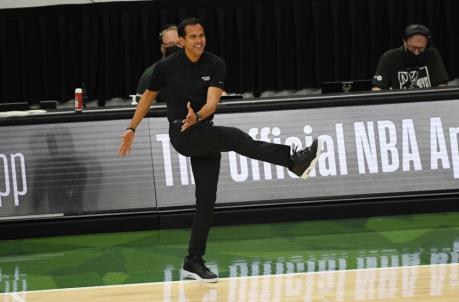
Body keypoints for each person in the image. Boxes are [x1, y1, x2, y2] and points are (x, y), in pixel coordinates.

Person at [118, 17, 322, 283]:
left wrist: (198, 117)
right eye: (193, 37)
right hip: (182, 134)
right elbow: (146, 99)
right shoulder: (165, 67)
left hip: (202, 128)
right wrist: (132, 128)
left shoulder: (215, 63)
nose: (199, 40)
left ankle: (193, 261)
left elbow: (212, 103)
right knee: (236, 137)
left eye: (201, 35)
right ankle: (292, 160)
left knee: (206, 199)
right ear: (182, 41)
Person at [372, 24, 449, 90]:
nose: (416, 52)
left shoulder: (432, 55)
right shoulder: (389, 58)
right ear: (404, 41)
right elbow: (377, 88)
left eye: (421, 48)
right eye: (412, 48)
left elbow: (441, 85)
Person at [135, 25, 182, 100]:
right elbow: (141, 106)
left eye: (179, 43)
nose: (176, 47)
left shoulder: (195, 69)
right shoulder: (150, 75)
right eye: (171, 44)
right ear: (162, 48)